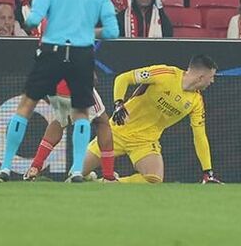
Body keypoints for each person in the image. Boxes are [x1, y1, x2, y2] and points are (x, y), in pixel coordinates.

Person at [0, 0, 119, 183]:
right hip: (81, 52)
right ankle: (77, 172)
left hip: (52, 50)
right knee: (81, 112)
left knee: (26, 106)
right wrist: (87, 31)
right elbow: (112, 32)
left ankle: (5, 167)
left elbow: (30, 20)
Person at [80, 57, 221, 184]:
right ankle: (89, 177)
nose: (212, 81)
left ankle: (109, 183)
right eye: (212, 77)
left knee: (154, 180)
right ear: (201, 77)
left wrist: (207, 171)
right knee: (76, 175)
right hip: (117, 132)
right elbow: (123, 78)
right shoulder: (165, 74)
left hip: (145, 142)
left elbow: (200, 136)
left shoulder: (197, 102)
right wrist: (118, 104)